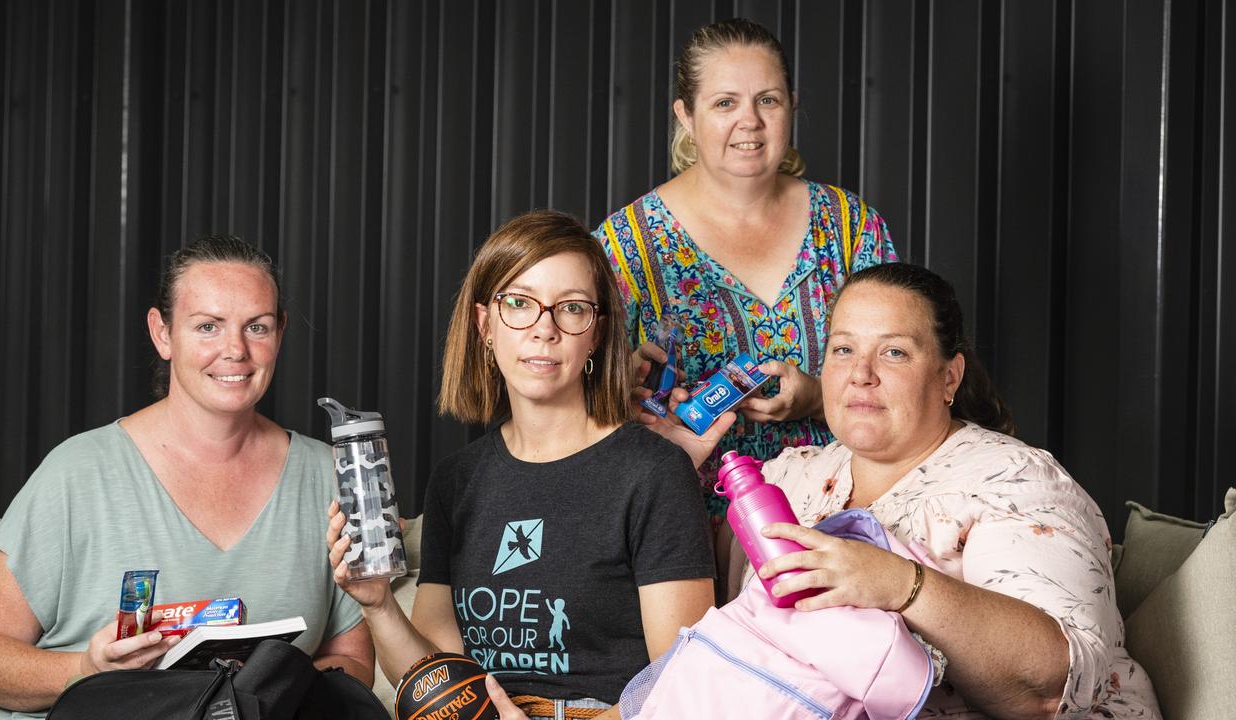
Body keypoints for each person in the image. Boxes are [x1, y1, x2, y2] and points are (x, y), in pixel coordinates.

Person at [684, 262, 1158, 718]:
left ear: (949, 376)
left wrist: (901, 586)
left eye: (894, 352)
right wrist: (671, 461)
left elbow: (1049, 693)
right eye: (843, 350)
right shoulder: (789, 478)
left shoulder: (1012, 479)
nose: (861, 373)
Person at [0, 237, 374, 718]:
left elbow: (352, 660)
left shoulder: (327, 473)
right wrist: (88, 670)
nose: (235, 350)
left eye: (256, 327)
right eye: (207, 327)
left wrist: (267, 693)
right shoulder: (78, 472)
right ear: (162, 333)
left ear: (279, 333)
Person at [326, 211, 716, 720]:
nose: (544, 330)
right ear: (485, 324)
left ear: (595, 333)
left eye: (571, 309)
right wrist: (376, 602)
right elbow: (437, 682)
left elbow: (682, 682)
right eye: (519, 304)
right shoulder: (456, 480)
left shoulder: (653, 472)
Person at [595, 17, 898, 522]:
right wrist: (615, 389)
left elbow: (906, 375)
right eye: (724, 103)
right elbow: (565, 395)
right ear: (686, 116)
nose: (750, 121)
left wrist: (821, 399)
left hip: (846, 516)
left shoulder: (849, 227)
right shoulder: (624, 247)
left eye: (768, 100)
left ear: (792, 107)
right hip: (676, 525)